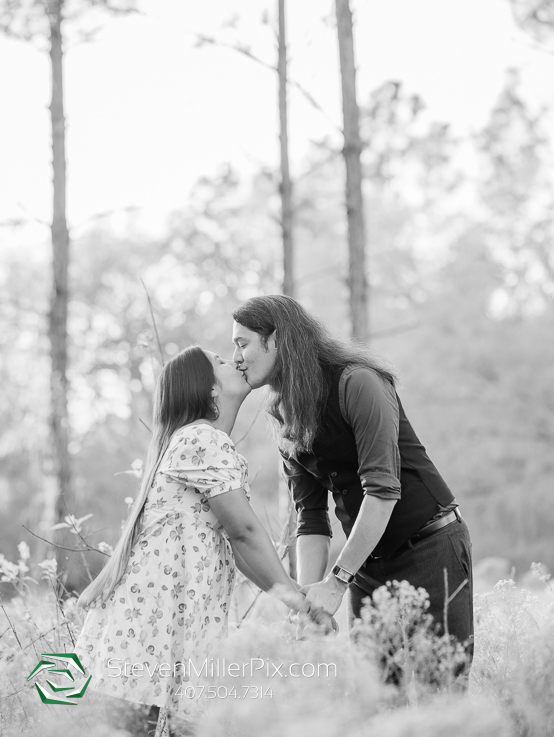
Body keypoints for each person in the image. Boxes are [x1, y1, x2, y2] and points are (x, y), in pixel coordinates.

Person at [231, 295, 474, 685]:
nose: (237, 357)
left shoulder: (358, 381)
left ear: (275, 340)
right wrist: (308, 603)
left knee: (440, 688)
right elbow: (310, 520)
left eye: (242, 343)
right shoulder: (283, 414)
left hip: (430, 547)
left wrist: (338, 581)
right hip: (366, 565)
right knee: (376, 696)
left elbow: (382, 491)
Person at [74, 345, 311, 737]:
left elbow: (240, 551)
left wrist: (290, 598)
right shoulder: (201, 440)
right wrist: (297, 601)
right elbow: (245, 532)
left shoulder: (202, 443)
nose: (233, 359)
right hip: (154, 629)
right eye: (221, 361)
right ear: (211, 390)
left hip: (164, 627)